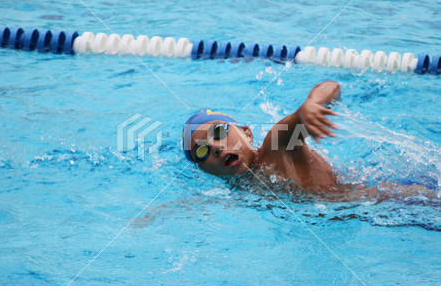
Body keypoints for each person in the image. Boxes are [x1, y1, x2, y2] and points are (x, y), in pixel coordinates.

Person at [182, 80, 434, 199]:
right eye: (201, 152)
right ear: (202, 169)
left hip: (401, 198)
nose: (215, 147)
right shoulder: (236, 190)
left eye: (219, 132)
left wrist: (311, 105)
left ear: (247, 133)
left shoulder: (275, 147)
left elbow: (330, 87)